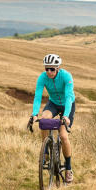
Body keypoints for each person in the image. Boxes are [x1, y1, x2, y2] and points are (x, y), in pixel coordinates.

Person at [27, 53, 75, 183]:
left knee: (64, 136)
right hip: (53, 103)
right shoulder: (42, 78)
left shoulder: (66, 76)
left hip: (67, 105)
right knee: (44, 119)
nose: (49, 71)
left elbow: (69, 97)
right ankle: (46, 151)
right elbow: (38, 96)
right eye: (46, 69)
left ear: (58, 68)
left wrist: (66, 116)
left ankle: (69, 168)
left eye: (52, 69)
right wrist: (34, 113)